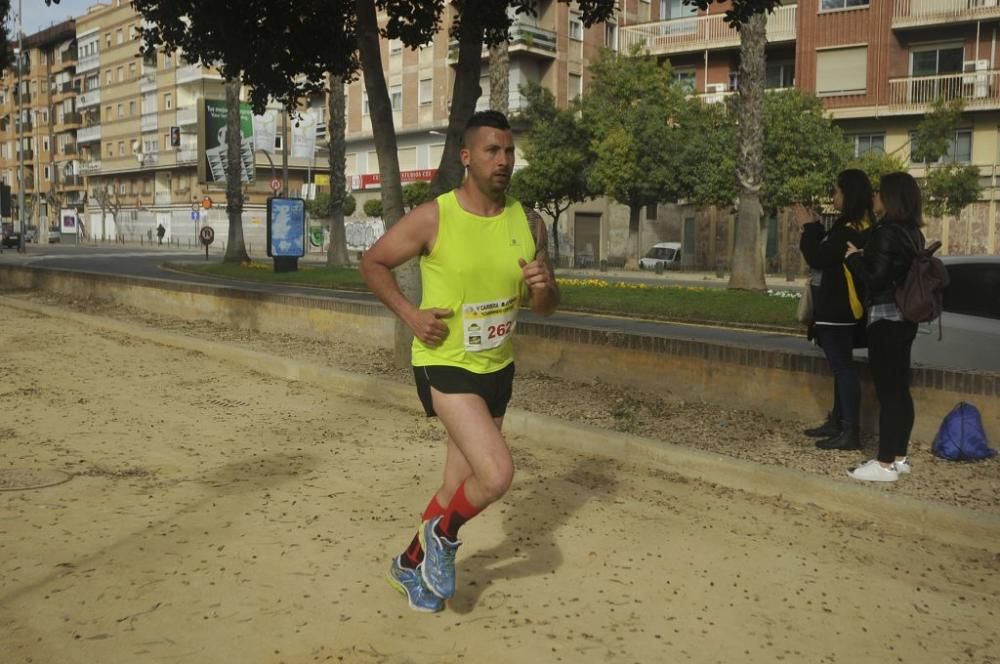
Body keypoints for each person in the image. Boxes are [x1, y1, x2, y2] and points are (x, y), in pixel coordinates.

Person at [359, 110, 560, 612]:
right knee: (495, 474)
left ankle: (408, 562)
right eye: (492, 151)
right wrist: (410, 314)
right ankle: (443, 539)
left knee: (456, 483)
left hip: (497, 366)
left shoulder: (529, 221)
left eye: (510, 151)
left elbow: (546, 304)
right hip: (444, 361)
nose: (504, 161)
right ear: (467, 157)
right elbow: (373, 262)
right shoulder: (435, 216)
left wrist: (545, 288)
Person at [844, 172, 925, 482]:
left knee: (888, 393)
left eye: (879, 192)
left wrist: (854, 259)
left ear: (891, 198)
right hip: (906, 319)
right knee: (900, 390)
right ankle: (899, 457)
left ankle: (884, 463)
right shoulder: (911, 233)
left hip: (886, 319)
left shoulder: (886, 232)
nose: (873, 197)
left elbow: (875, 279)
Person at [795, 169, 874, 451]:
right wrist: (815, 227)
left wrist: (807, 227)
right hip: (833, 310)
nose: (832, 195)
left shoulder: (851, 229)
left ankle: (849, 431)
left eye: (836, 190)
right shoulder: (847, 226)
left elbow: (817, 256)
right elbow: (824, 251)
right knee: (841, 369)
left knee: (844, 369)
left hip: (839, 311)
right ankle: (838, 421)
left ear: (848, 194)